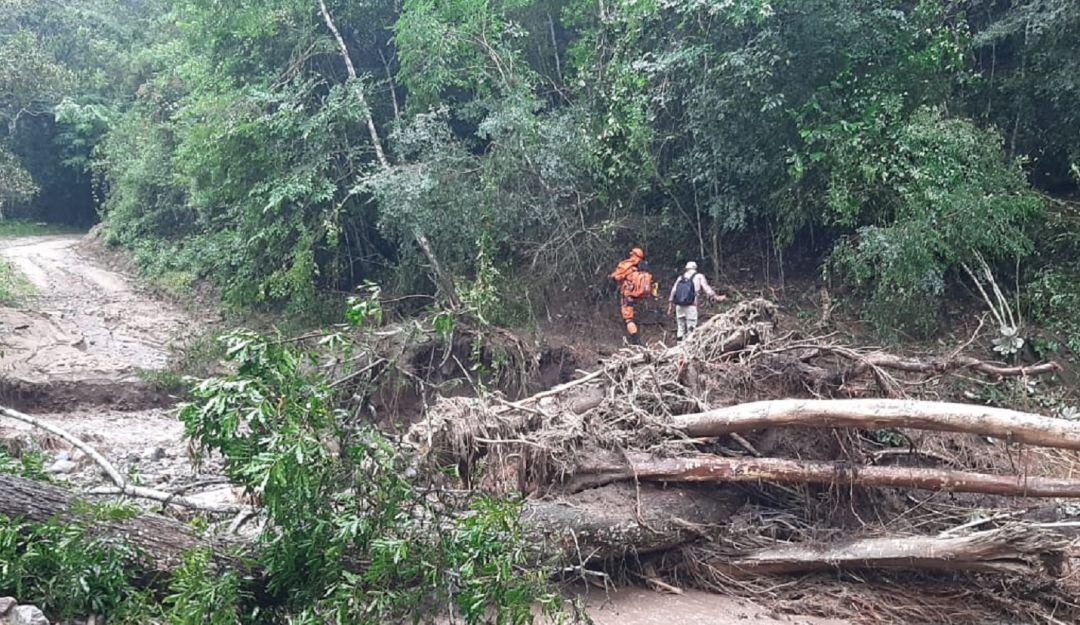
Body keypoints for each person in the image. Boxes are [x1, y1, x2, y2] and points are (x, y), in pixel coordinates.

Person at [667, 261, 726, 340]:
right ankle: (688, 349)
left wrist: (670, 305)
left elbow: (673, 291)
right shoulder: (699, 276)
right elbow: (707, 289)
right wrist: (716, 297)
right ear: (695, 268)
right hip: (691, 306)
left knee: (680, 328)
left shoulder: (681, 277)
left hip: (679, 306)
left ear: (686, 268)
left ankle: (679, 345)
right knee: (691, 329)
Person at [610, 248, 657, 345]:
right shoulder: (643, 267)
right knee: (632, 316)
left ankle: (636, 342)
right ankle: (637, 340)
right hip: (639, 296)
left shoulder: (627, 265)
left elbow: (616, 277)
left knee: (628, 319)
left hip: (628, 296)